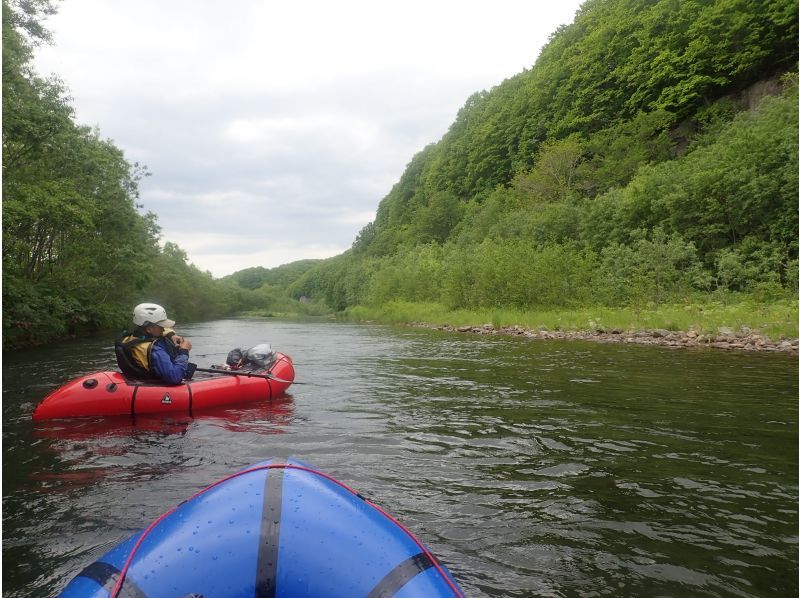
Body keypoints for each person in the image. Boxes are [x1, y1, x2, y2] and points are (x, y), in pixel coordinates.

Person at [115, 303, 195, 384]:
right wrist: (184, 352)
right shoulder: (155, 351)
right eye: (161, 326)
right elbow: (173, 377)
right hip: (157, 386)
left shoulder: (131, 338)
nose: (164, 329)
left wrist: (172, 335)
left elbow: (166, 330)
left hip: (136, 380)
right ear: (149, 329)